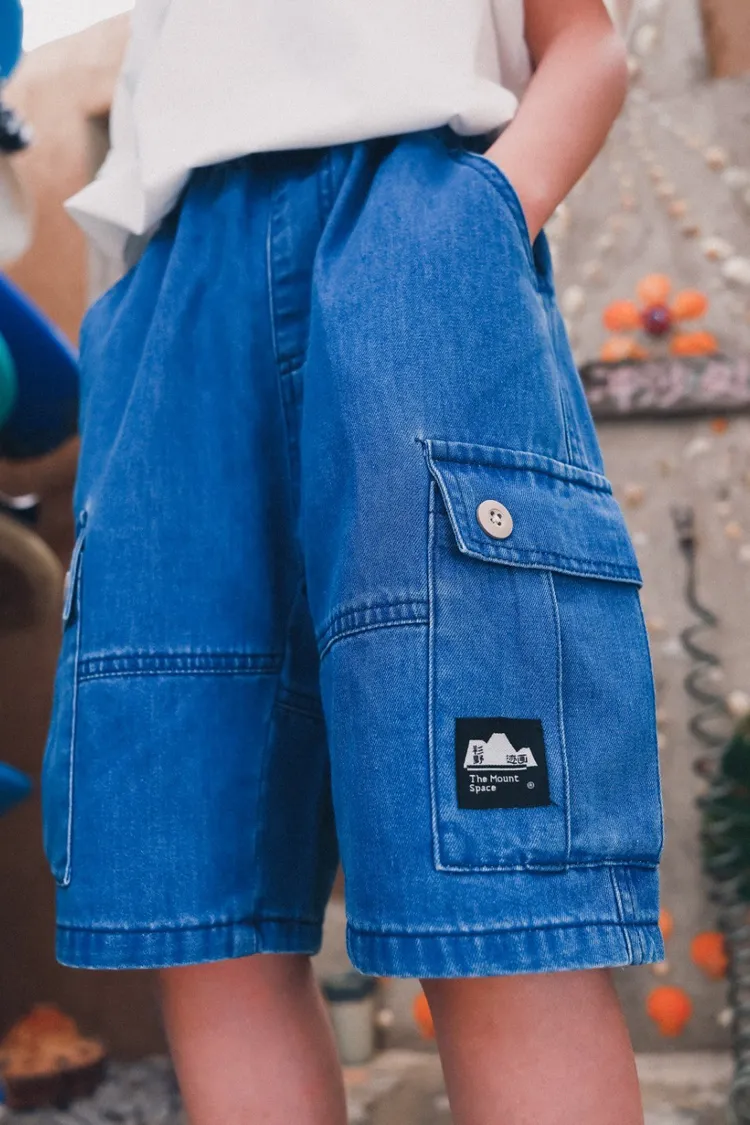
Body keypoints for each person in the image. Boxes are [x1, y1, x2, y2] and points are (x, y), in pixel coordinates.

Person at [42, 1, 664, 1123]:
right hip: (172, 297)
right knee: (207, 910)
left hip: (414, 238)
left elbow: (586, 41)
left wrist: (476, 224)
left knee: (499, 900)